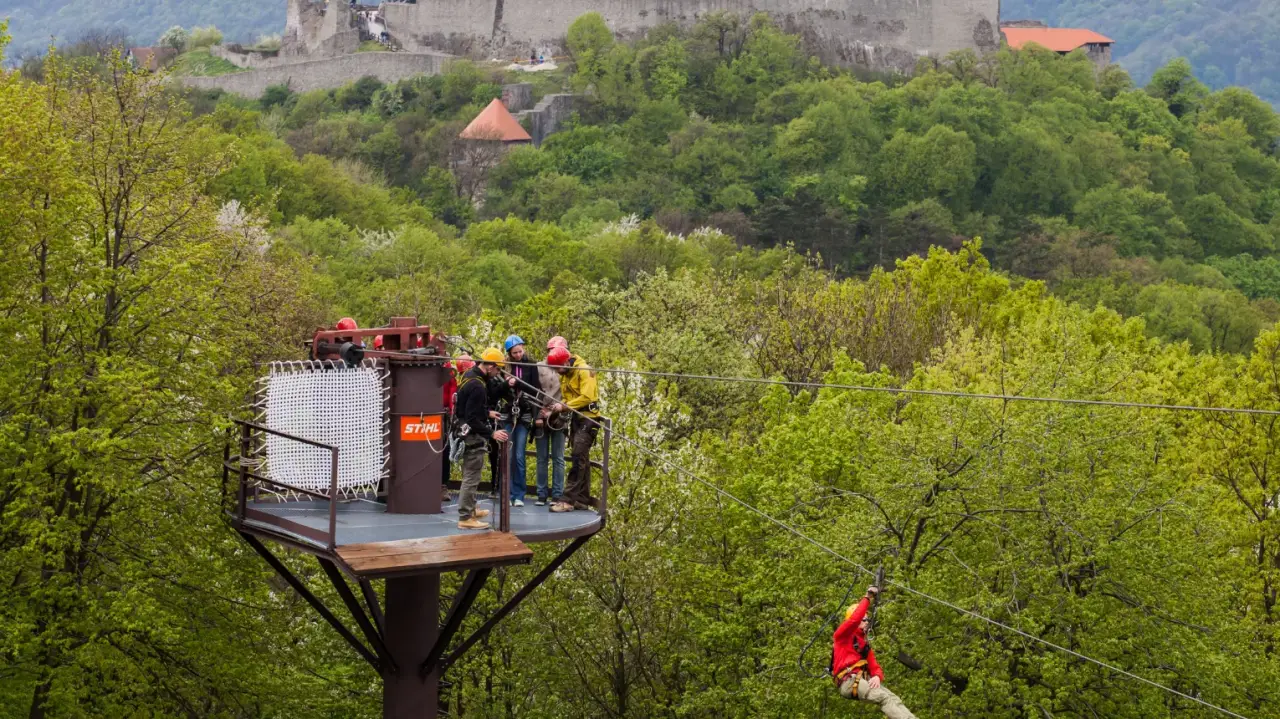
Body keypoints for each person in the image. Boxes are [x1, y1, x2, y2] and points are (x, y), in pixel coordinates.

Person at [832, 586, 916, 718]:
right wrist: (868, 597)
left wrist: (877, 676)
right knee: (883, 697)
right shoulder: (842, 636)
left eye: (867, 619)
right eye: (864, 620)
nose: (866, 622)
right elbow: (854, 619)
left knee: (892, 698)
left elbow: (874, 666)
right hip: (848, 681)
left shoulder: (863, 645)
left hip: (861, 680)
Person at [453, 348, 509, 529]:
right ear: (491, 366)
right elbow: (472, 418)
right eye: (498, 369)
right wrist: (492, 433)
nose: (498, 373)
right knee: (471, 475)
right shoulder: (477, 386)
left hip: (462, 429)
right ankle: (465, 517)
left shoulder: (470, 375)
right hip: (472, 435)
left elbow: (468, 407)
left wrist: (487, 412)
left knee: (470, 473)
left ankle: (471, 508)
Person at [547, 347, 599, 513]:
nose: (556, 372)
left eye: (557, 368)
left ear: (565, 362)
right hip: (577, 418)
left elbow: (587, 397)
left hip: (589, 418)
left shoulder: (584, 371)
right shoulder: (565, 374)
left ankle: (567, 500)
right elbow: (568, 396)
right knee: (582, 458)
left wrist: (563, 406)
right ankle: (582, 499)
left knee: (577, 458)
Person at [502, 335, 542, 508]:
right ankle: (507, 493)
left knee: (519, 455)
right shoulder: (505, 367)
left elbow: (535, 389)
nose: (518, 355)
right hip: (508, 413)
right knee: (508, 455)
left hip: (524, 414)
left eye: (520, 351)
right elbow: (498, 390)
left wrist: (517, 383)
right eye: (514, 352)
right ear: (509, 353)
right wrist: (507, 383)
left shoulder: (531, 365)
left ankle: (519, 494)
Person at [534, 338, 569, 507]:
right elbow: (534, 391)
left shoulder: (569, 369)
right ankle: (541, 494)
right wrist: (538, 416)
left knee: (558, 458)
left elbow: (572, 395)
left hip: (559, 415)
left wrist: (561, 409)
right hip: (541, 411)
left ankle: (557, 494)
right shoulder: (539, 367)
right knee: (542, 457)